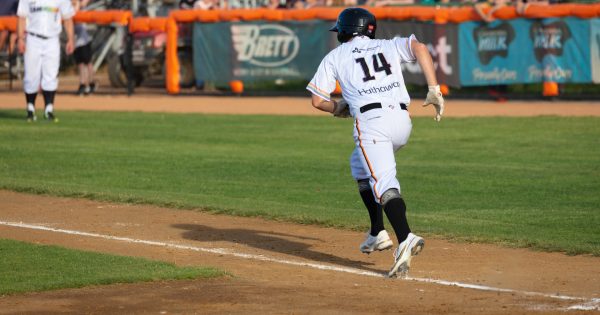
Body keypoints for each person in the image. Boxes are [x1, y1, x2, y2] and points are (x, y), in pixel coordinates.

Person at [306, 8, 444, 278]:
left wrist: (340, 109)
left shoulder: (335, 56)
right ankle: (377, 231)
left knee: (384, 183)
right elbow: (421, 47)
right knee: (359, 165)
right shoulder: (387, 44)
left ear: (344, 31)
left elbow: (317, 100)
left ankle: (406, 238)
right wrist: (434, 89)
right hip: (402, 121)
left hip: (371, 123)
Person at [17, 0, 75, 122]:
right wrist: (20, 38)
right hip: (33, 38)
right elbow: (22, 17)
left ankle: (49, 109)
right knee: (31, 75)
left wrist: (70, 39)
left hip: (52, 39)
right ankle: (30, 108)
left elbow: (68, 18)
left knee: (51, 74)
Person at [72, 0, 96, 96]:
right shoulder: (69, 7)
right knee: (81, 64)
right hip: (76, 41)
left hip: (84, 40)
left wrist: (78, 3)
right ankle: (82, 84)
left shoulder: (81, 6)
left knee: (88, 63)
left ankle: (91, 83)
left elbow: (84, 2)